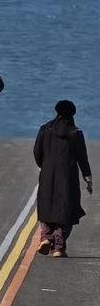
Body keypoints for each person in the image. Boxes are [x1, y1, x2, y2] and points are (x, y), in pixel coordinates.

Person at [33, 100, 93, 258]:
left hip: (47, 173)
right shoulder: (75, 133)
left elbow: (37, 151)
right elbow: (82, 158)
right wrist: (88, 178)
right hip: (68, 176)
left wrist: (44, 165)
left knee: (46, 205)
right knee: (67, 209)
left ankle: (46, 237)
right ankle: (58, 246)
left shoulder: (45, 129)